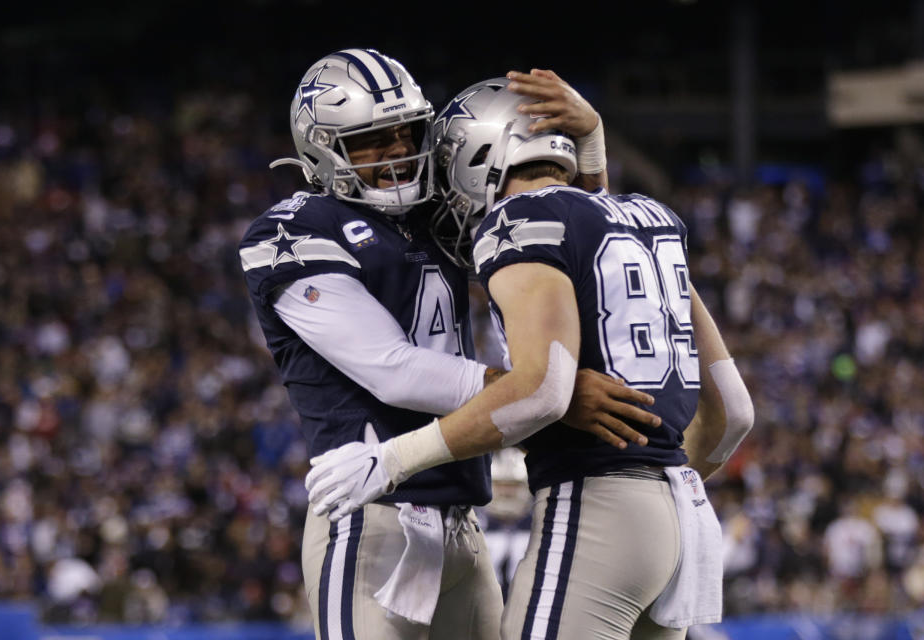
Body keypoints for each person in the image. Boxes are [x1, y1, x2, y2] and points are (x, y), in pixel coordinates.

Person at [306, 78, 754, 639]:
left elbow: (544, 392)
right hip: (681, 511)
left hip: (594, 504)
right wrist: (654, 481)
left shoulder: (514, 223)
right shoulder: (651, 219)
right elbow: (735, 412)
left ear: (480, 151)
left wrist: (392, 460)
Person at [239, 50, 661, 640]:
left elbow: (578, 238)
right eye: (369, 140)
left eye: (404, 131)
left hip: (465, 521)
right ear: (321, 146)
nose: (395, 151)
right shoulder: (295, 229)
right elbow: (394, 370)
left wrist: (590, 147)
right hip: (376, 517)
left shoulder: (437, 216)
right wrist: (549, 392)